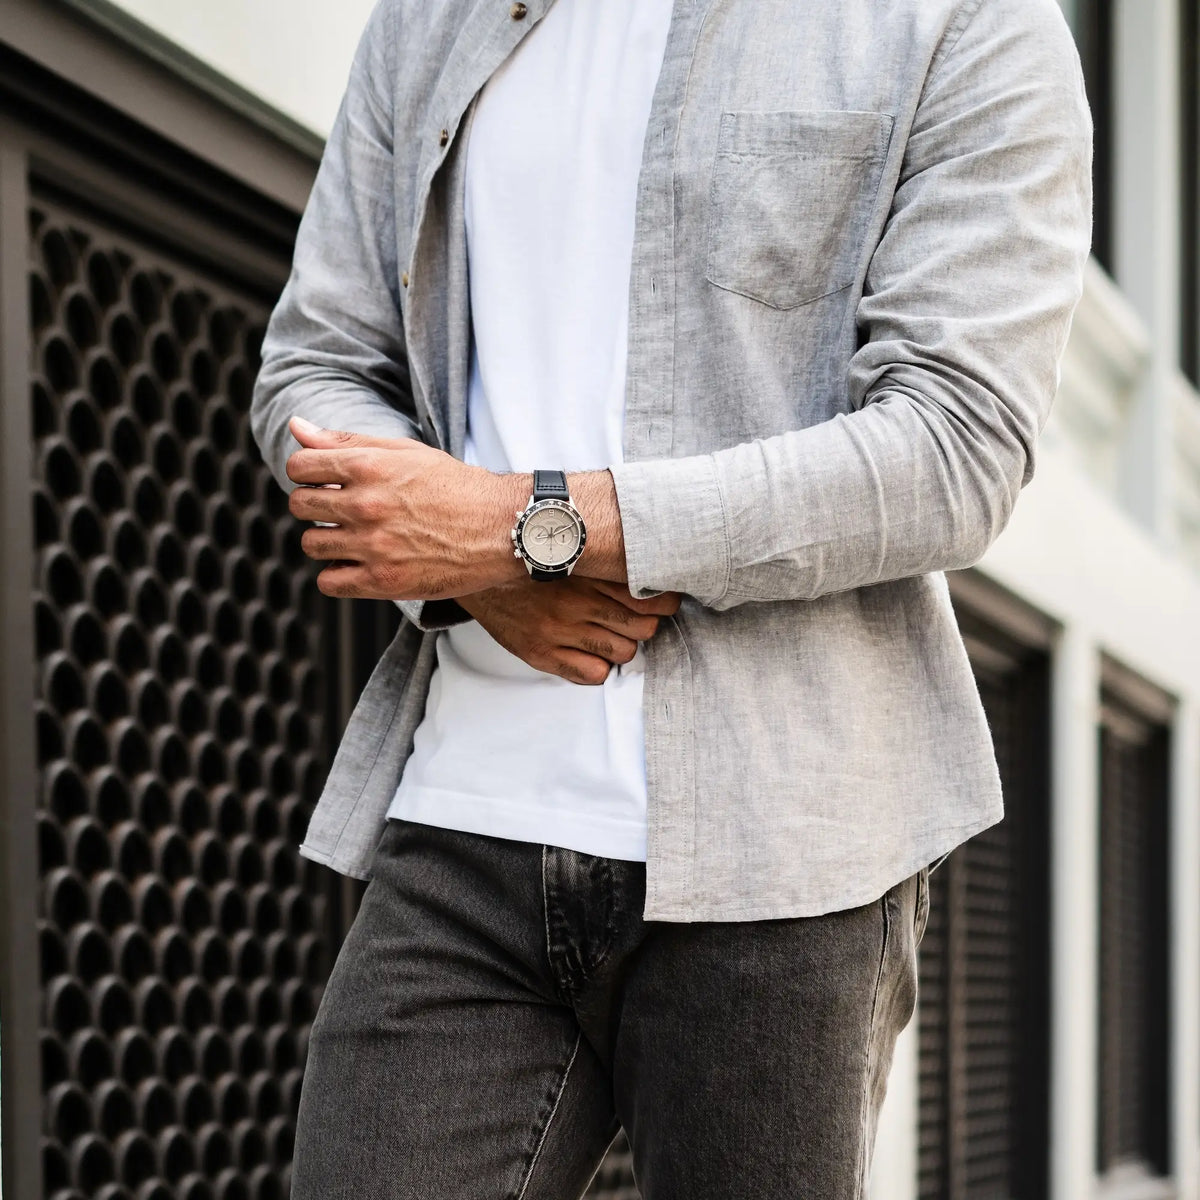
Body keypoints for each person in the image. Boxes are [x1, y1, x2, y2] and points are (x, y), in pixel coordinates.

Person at [249, 0, 1092, 1195]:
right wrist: (487, 580)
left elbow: (955, 448)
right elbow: (317, 367)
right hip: (465, 825)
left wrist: (525, 528)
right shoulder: (429, 22)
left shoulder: (962, 20)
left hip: (788, 853)